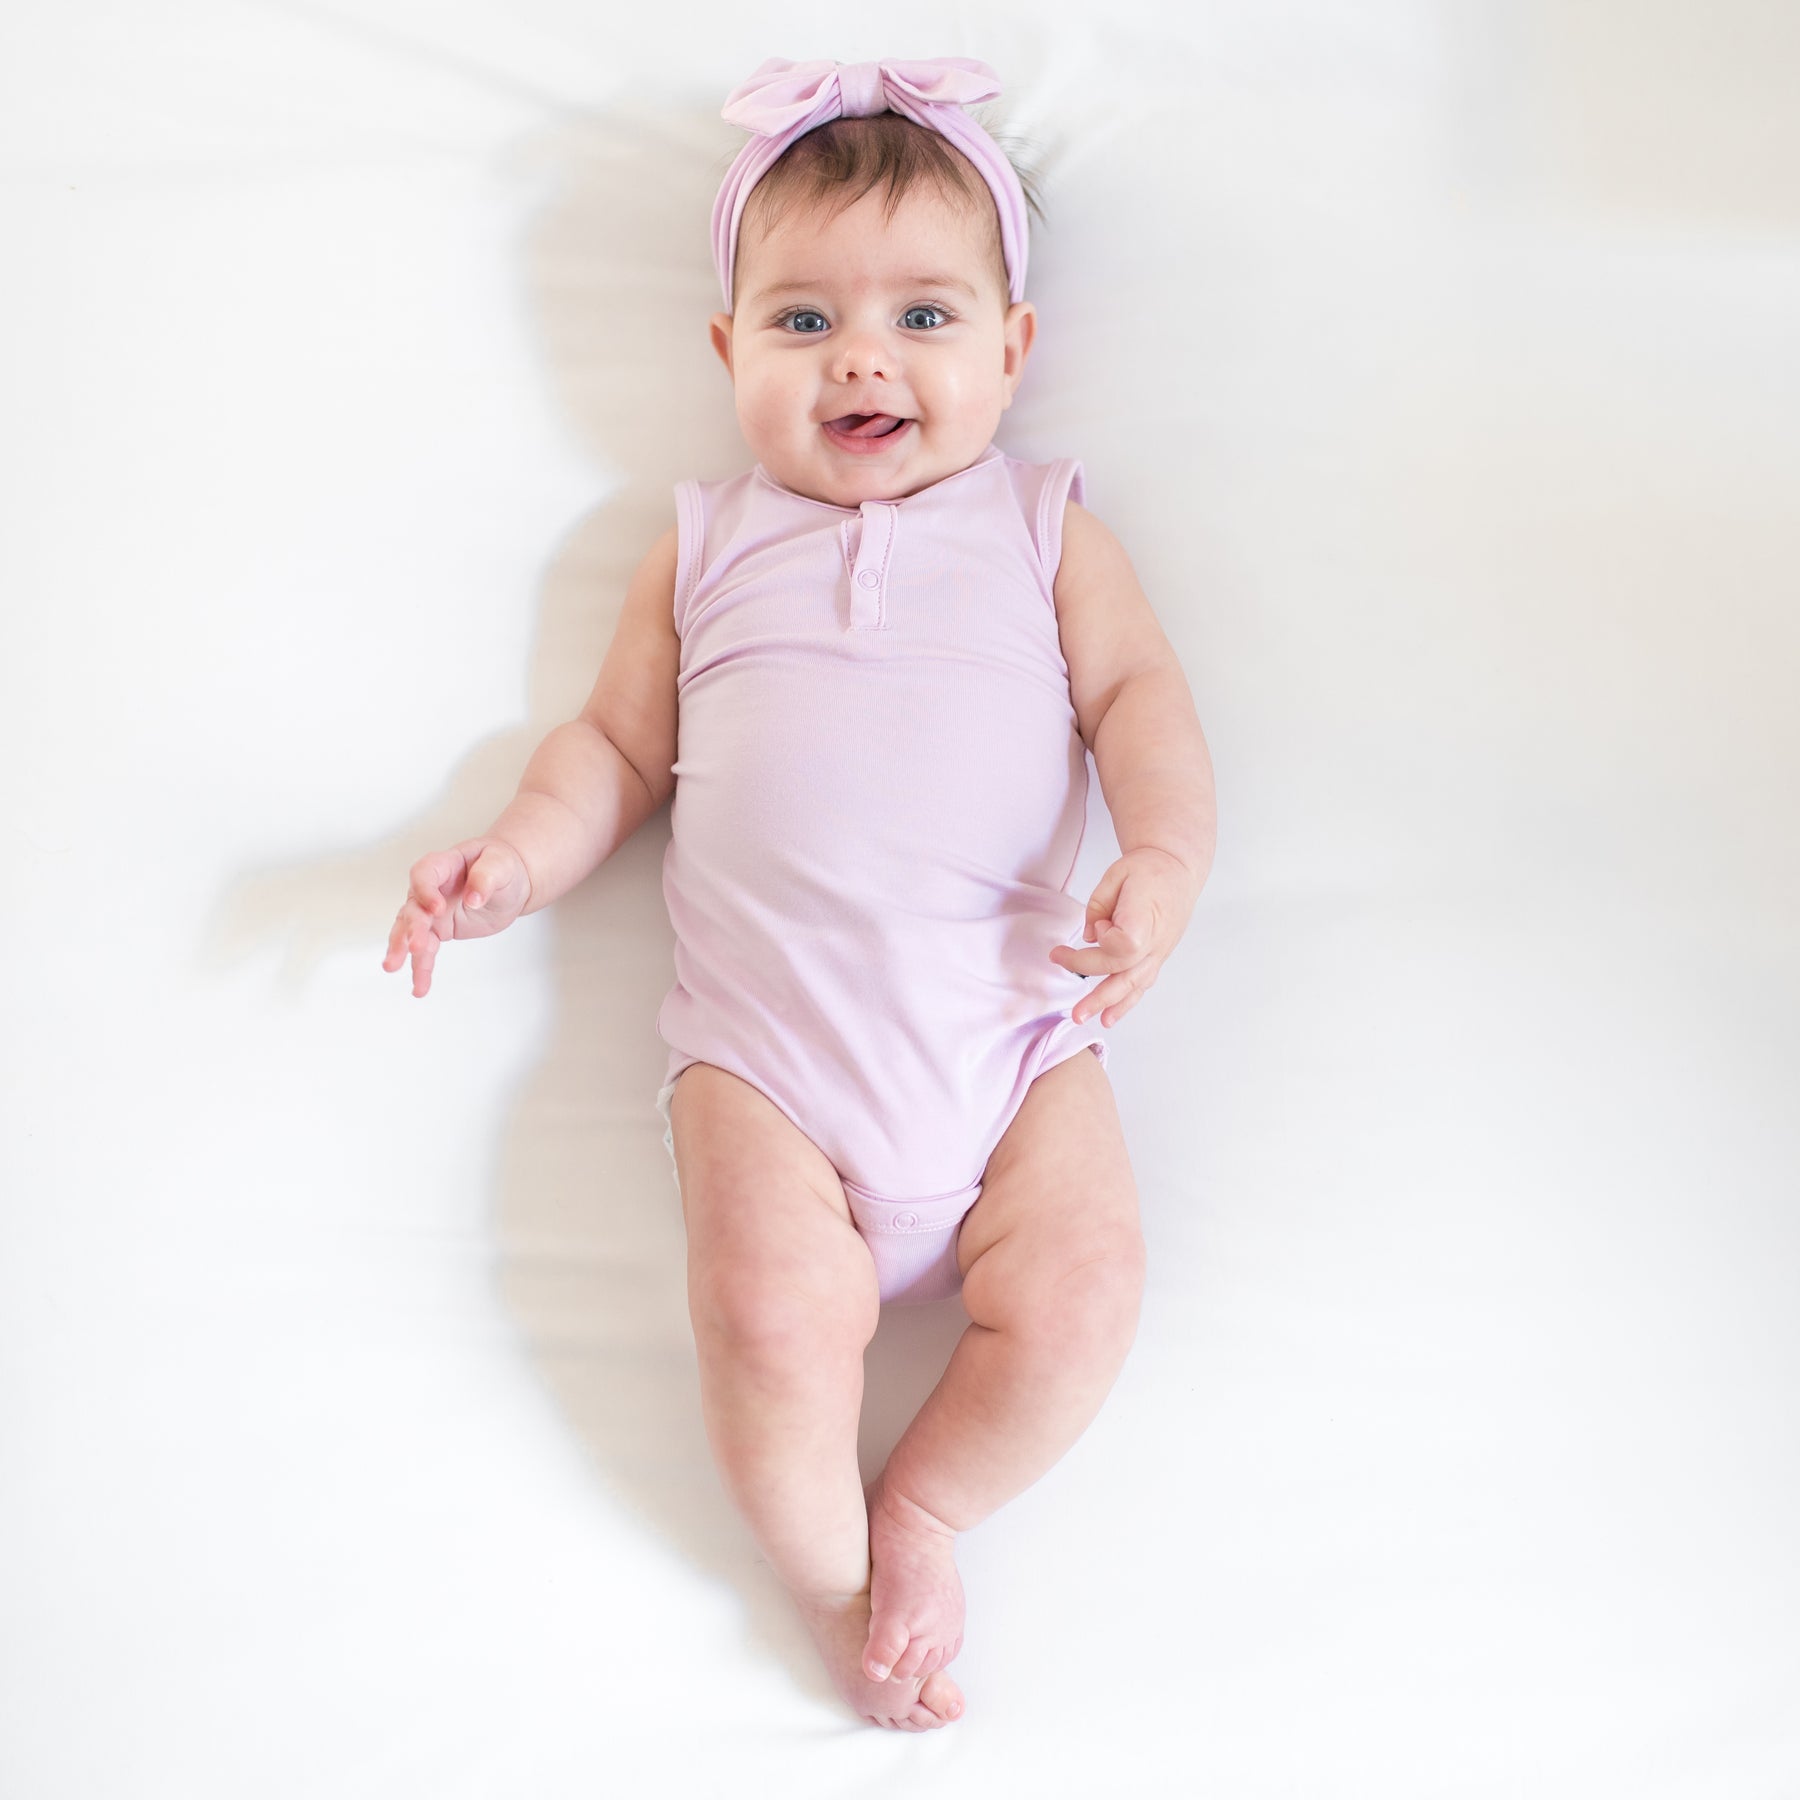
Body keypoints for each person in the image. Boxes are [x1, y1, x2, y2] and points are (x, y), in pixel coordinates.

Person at [383, 54, 1217, 1732]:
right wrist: (516, 859)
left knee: (1083, 1296)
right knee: (768, 1315)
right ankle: (836, 1576)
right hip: (771, 1070)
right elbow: (613, 747)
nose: (864, 358)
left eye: (925, 317)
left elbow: (1139, 700)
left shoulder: (1049, 528)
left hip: (1013, 1045)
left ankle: (923, 1504)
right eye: (803, 320)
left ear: (1012, 349)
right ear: (726, 351)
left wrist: (1164, 857)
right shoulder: (699, 545)